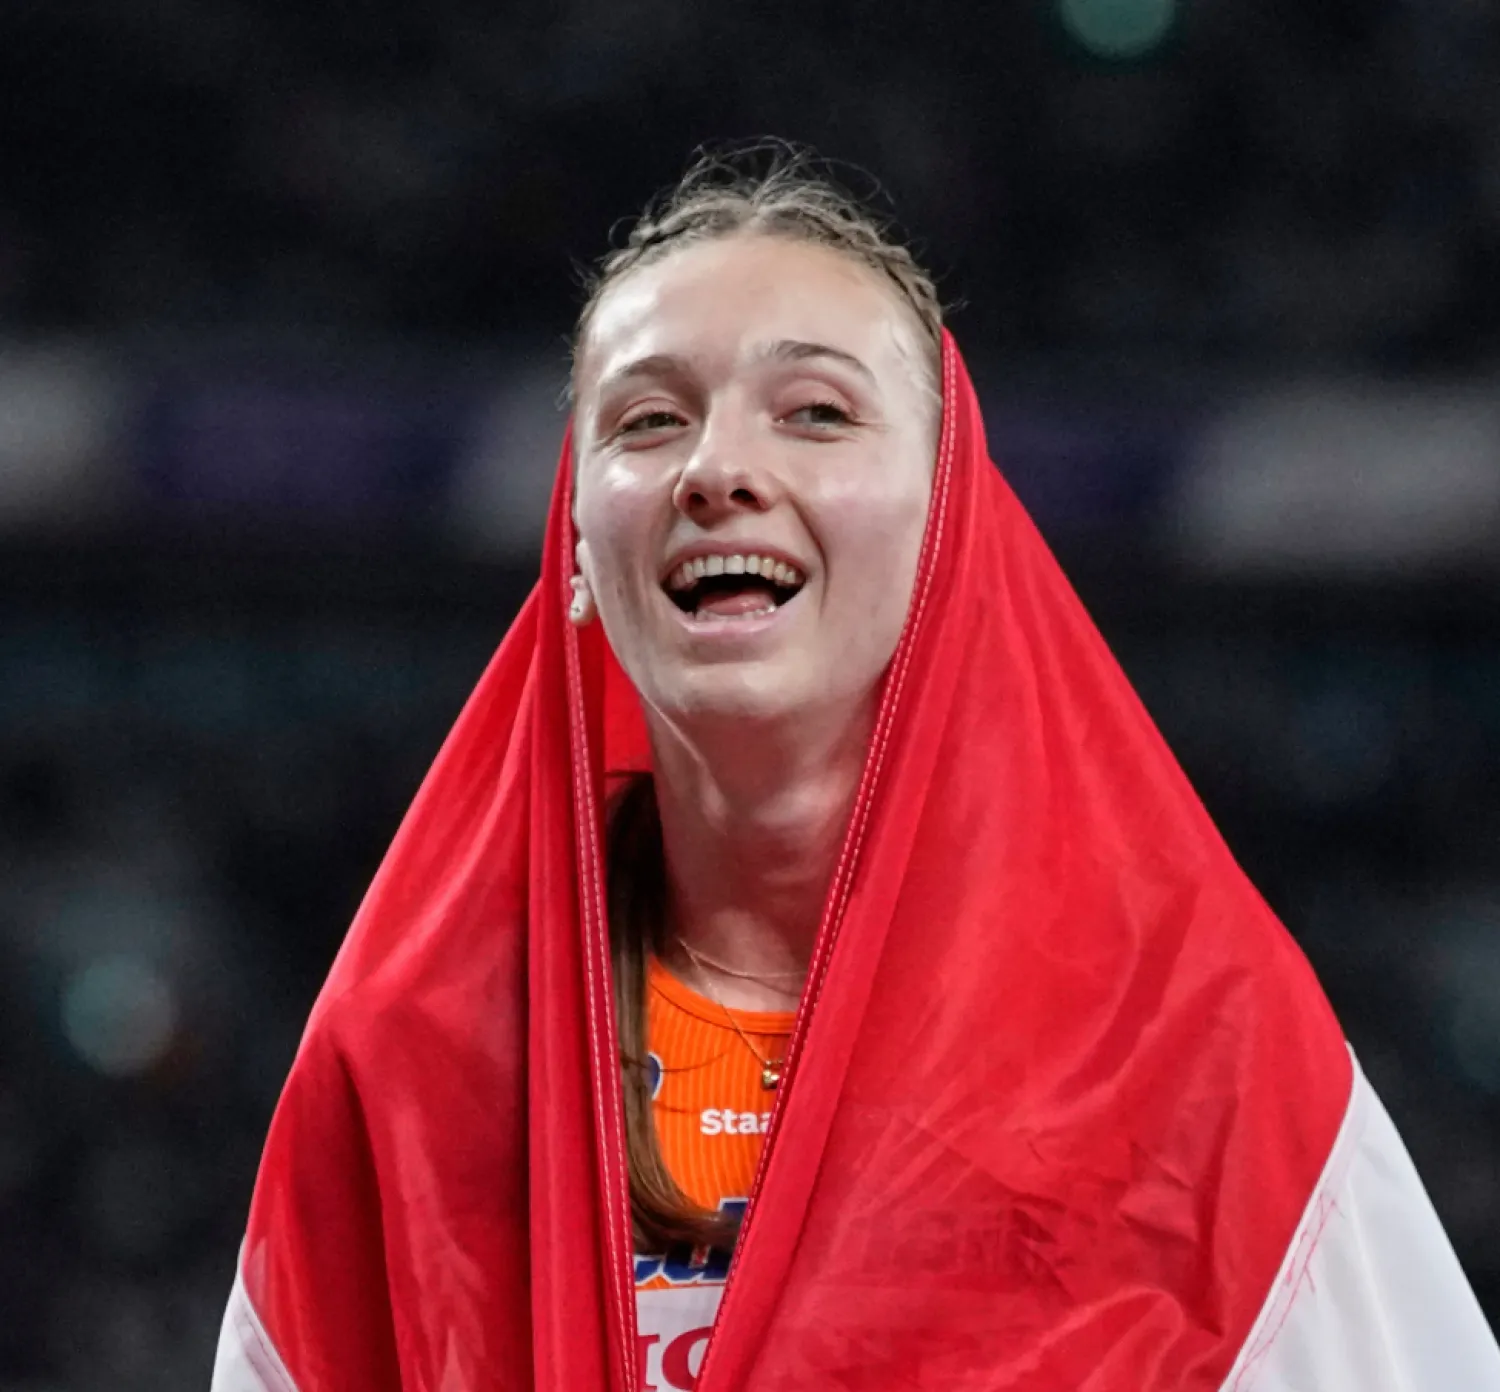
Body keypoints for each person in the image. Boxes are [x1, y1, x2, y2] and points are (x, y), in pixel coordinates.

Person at [211, 147, 1500, 1391]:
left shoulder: (1196, 1040)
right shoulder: (412, 1053)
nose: (719, 471)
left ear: (952, 520)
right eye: (648, 419)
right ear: (578, 545)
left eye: (816, 412)